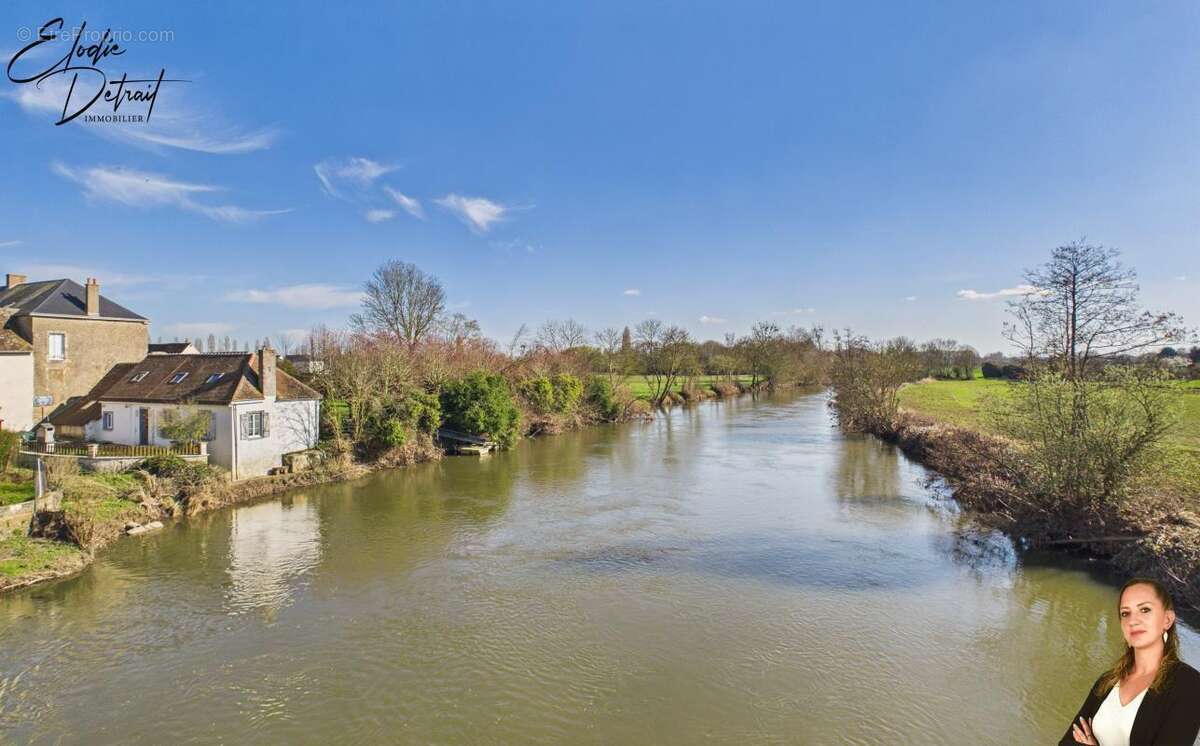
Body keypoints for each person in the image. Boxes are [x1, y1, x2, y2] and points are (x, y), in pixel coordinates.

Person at [1061, 577, 1200, 745]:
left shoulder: (1189, 685)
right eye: (1125, 613)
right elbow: (1069, 741)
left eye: (1145, 609)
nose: (1133, 621)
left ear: (1167, 620)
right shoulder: (1108, 681)